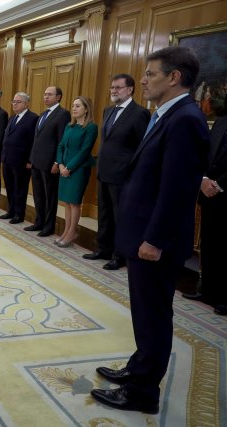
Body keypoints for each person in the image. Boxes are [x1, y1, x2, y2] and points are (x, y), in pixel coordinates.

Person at [90, 46, 210, 414]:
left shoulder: (185, 119)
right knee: (144, 312)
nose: (143, 79)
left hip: (155, 240)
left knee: (154, 315)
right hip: (142, 232)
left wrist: (155, 240)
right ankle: (139, 368)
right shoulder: (165, 115)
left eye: (150, 74)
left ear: (173, 77)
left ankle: (143, 393)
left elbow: (177, 189)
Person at [82, 74, 150, 269]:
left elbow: (141, 147)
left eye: (118, 88)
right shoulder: (108, 110)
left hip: (123, 175)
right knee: (104, 214)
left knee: (120, 216)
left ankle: (119, 255)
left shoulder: (139, 113)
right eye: (112, 87)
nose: (113, 91)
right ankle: (103, 249)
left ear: (129, 90)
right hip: (104, 171)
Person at [182, 115, 227, 314]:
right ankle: (207, 290)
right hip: (209, 193)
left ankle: (224, 298)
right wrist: (204, 179)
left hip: (224, 191)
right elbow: (206, 152)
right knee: (209, 244)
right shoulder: (221, 121)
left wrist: (220, 184)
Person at [26, 86, 71, 237]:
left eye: (49, 95)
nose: (45, 97)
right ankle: (39, 222)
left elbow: (61, 141)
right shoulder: (43, 113)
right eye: (45, 94)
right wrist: (31, 158)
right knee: (38, 194)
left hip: (50, 164)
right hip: (37, 162)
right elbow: (36, 139)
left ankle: (49, 226)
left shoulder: (63, 114)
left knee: (50, 196)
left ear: (58, 97)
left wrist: (57, 163)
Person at [54, 96, 97, 247]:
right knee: (66, 202)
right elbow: (60, 146)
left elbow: (85, 151)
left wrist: (69, 167)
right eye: (73, 106)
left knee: (74, 202)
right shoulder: (69, 126)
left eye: (78, 106)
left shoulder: (91, 127)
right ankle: (66, 231)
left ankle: (72, 232)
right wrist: (60, 165)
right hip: (64, 167)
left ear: (86, 109)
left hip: (78, 169)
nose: (74, 108)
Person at [0, 92, 38, 224]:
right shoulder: (12, 118)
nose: (14, 104)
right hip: (8, 159)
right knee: (9, 187)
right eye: (13, 102)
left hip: (22, 161)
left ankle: (19, 214)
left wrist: (30, 160)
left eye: (18, 102)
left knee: (20, 188)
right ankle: (11, 210)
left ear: (26, 103)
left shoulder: (32, 118)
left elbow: (33, 141)